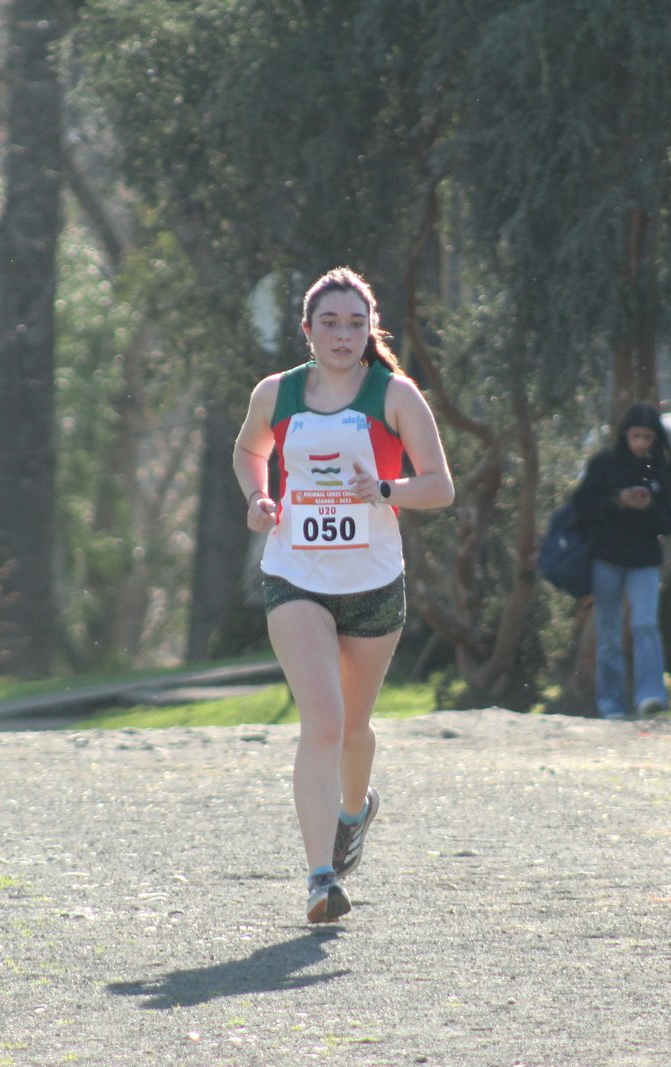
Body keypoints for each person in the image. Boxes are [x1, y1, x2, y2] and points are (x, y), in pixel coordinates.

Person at [233, 267, 454, 923]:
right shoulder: (278, 394)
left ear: (370, 330)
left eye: (355, 323)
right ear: (306, 330)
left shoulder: (396, 395)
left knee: (354, 729)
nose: (342, 334)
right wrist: (258, 496)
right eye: (329, 322)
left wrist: (385, 491)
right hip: (295, 573)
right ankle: (320, 877)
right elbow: (249, 449)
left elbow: (439, 486)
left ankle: (354, 814)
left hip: (373, 583)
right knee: (323, 722)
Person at [571, 403, 671, 721]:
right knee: (608, 634)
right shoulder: (604, 465)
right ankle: (612, 705)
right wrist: (616, 502)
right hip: (606, 559)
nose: (641, 443)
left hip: (645, 561)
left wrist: (649, 506)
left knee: (645, 625)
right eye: (636, 436)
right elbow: (582, 506)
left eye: (647, 437)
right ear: (625, 435)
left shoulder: (661, 469)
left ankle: (651, 696)